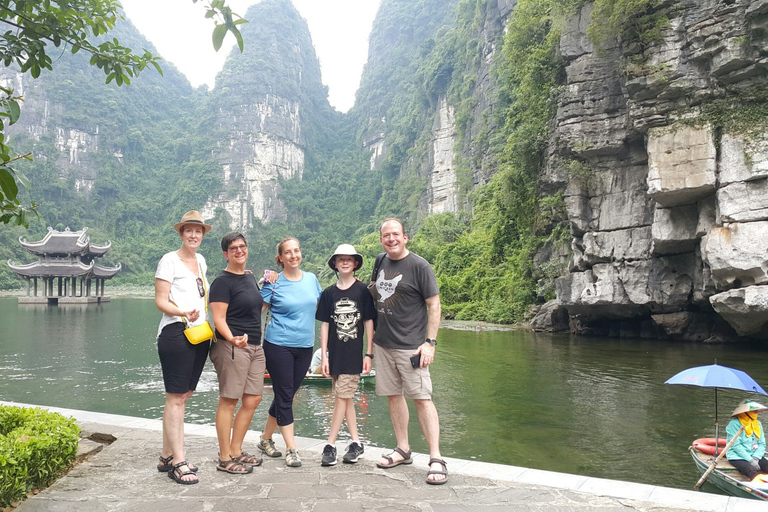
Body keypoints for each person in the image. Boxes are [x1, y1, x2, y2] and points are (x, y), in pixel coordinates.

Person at [371, 218, 447, 485]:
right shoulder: (379, 261)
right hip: (383, 344)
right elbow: (375, 296)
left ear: (405, 237)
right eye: (386, 235)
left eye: (395, 234)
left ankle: (436, 457)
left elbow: (434, 305)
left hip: (411, 347)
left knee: (422, 398)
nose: (390, 239)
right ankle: (403, 449)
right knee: (393, 396)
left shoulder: (419, 265)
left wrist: (430, 343)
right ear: (381, 239)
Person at [154, 210, 213, 485]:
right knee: (175, 397)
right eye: (189, 230)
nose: (193, 235)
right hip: (176, 332)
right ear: (181, 234)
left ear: (203, 235)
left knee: (184, 395)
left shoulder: (200, 261)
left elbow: (205, 295)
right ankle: (178, 461)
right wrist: (181, 313)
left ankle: (167, 455)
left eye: (198, 231)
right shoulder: (169, 260)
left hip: (199, 333)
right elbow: (160, 300)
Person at [258, 236, 322, 467]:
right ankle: (291, 449)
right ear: (280, 258)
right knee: (285, 395)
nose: (293, 255)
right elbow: (256, 308)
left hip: (304, 347)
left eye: (297, 250)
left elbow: (323, 308)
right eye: (288, 252)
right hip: (278, 345)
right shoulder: (273, 283)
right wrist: (259, 282)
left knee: (287, 395)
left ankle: (265, 439)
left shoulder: (312, 279)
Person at [209, 232, 267, 475]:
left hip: (255, 345)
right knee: (230, 400)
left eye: (242, 246)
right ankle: (224, 457)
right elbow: (218, 317)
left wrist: (270, 283)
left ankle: (235, 449)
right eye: (233, 248)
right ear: (225, 254)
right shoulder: (222, 282)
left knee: (253, 398)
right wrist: (231, 337)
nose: (239, 251)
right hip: (231, 346)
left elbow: (256, 308)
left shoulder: (249, 278)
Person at [316, 244, 376, 466]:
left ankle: (330, 444)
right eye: (340, 259)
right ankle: (356, 442)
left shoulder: (362, 292)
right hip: (335, 355)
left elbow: (369, 322)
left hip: (353, 355)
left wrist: (369, 354)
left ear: (355, 264)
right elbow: (324, 325)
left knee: (341, 397)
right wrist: (324, 357)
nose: (344, 262)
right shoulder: (328, 293)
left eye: (349, 259)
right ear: (335, 263)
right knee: (346, 399)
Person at [726, 399, 768, 481]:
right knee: (751, 471)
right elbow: (736, 446)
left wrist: (756, 457)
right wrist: (750, 460)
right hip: (737, 456)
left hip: (755, 454)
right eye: (753, 411)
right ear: (745, 412)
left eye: (756, 411)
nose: (756, 413)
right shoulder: (734, 424)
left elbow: (762, 443)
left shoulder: (757, 423)